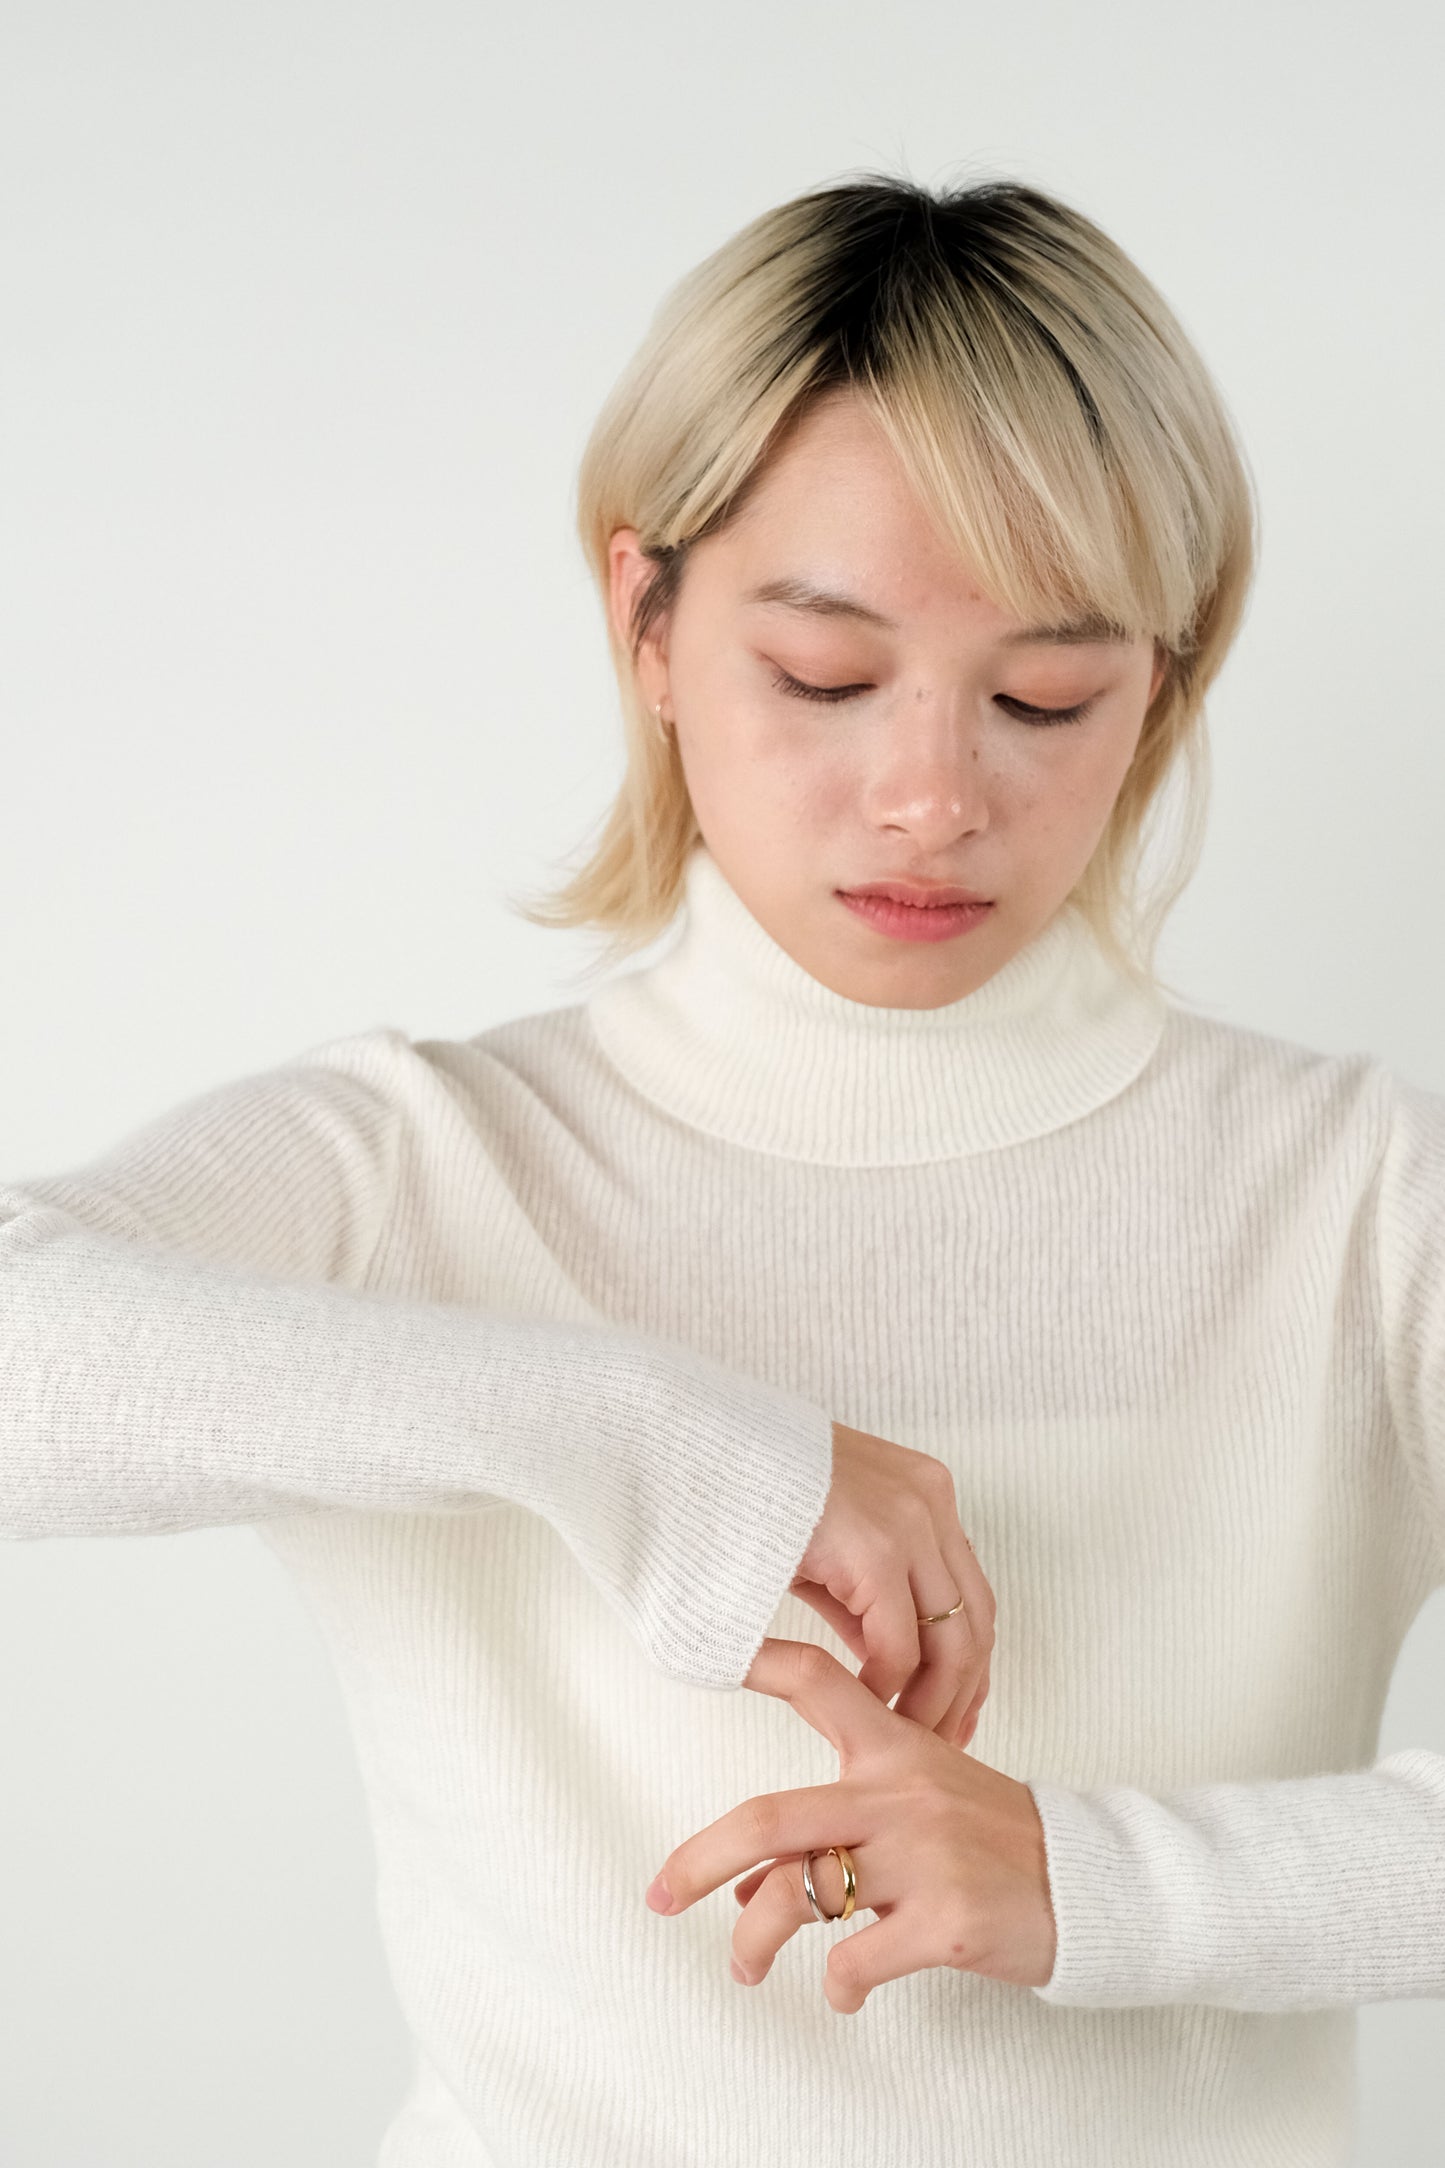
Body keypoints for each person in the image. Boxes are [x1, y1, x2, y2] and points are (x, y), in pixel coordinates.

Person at [2, 169, 1442, 2168]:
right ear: (650, 621)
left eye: (1047, 693)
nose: (934, 792)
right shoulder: (432, 1167)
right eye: (829, 678)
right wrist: (676, 1444)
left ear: (1169, 680)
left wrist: (1089, 1882)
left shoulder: (1360, 1200)